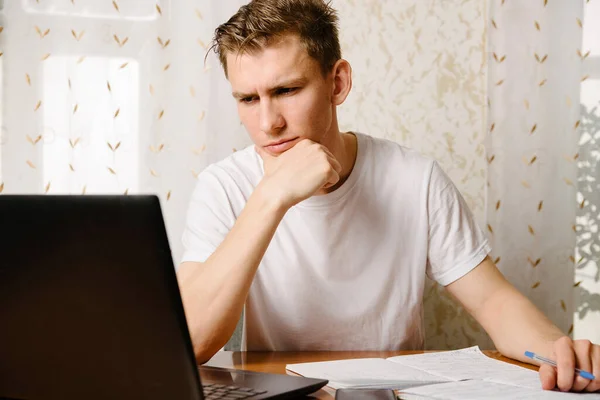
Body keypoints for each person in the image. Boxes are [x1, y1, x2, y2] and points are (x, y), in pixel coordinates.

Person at [177, 0, 599, 393]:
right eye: (248, 99)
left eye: (286, 90)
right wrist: (271, 197)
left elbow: (493, 301)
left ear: (337, 83)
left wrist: (557, 349)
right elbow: (190, 341)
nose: (268, 123)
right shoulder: (224, 186)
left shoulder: (415, 178)